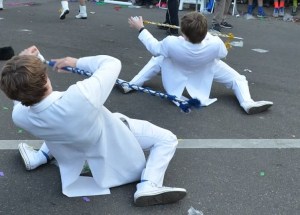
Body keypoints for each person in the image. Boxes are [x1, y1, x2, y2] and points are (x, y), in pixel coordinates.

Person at [0, 46, 187, 206]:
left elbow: (23, 96)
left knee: (57, 128)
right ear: (44, 77)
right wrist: (75, 62)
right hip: (104, 138)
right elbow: (112, 63)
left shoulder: (20, 116)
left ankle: (38, 157)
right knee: (167, 139)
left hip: (71, 145)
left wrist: (26, 63)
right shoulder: (81, 96)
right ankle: (149, 184)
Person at [121, 12, 273, 115]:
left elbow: (154, 47)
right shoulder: (214, 42)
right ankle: (247, 102)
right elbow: (223, 54)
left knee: (158, 59)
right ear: (205, 30)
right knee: (238, 79)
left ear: (184, 33)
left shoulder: (171, 43)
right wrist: (207, 36)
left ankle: (131, 84)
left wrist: (140, 28)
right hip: (206, 67)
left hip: (178, 68)